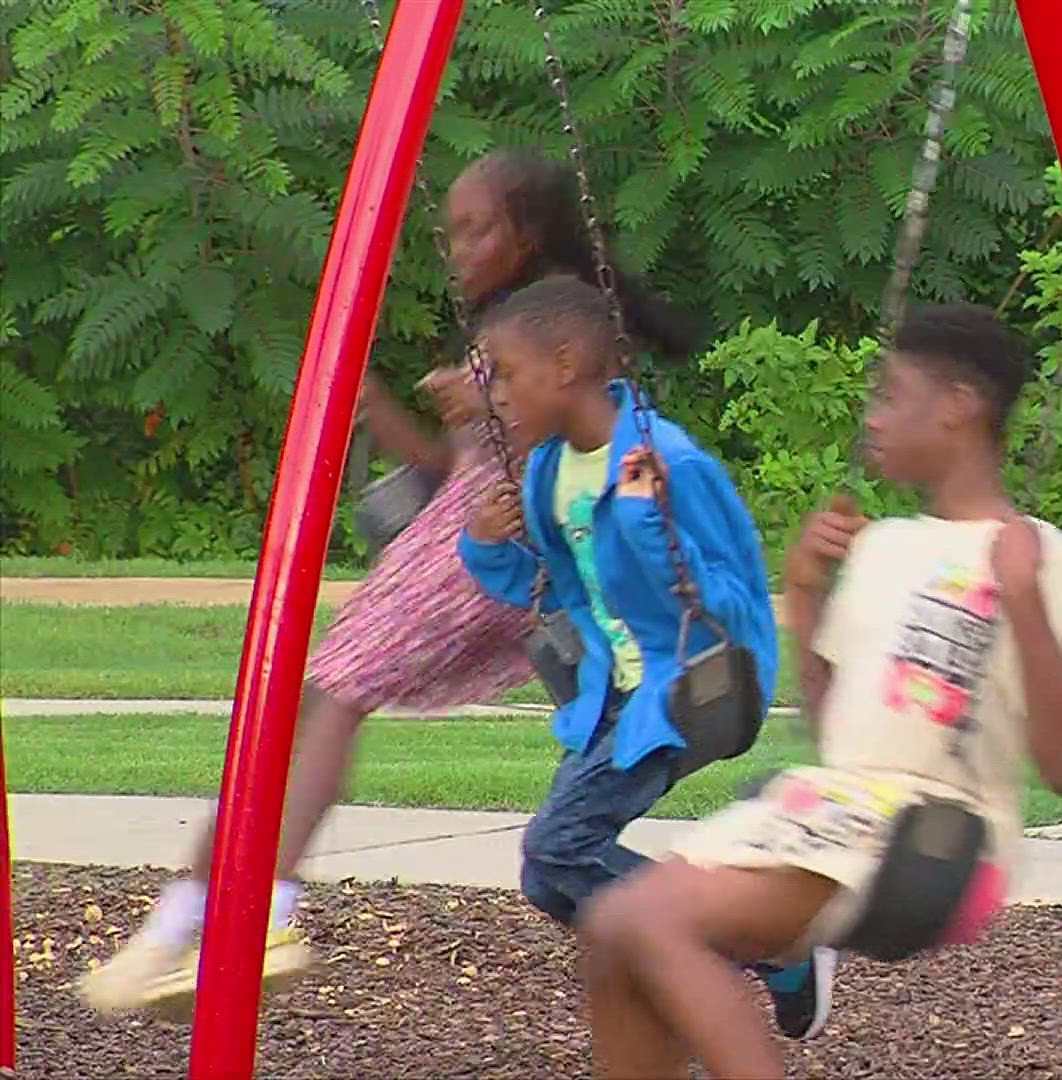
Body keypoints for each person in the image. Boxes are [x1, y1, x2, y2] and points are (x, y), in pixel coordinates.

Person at [80, 151, 829, 1037]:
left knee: (331, 695)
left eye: (475, 228)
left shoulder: (574, 364)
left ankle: (246, 914)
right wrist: (404, 433)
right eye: (453, 230)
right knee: (350, 720)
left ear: (530, 235)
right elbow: (481, 493)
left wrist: (502, 438)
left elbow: (709, 557)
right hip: (505, 560)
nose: (457, 246)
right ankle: (200, 913)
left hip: (598, 625)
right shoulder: (537, 398)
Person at [571, 302, 1062, 1079]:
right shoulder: (885, 545)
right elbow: (836, 731)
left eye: (892, 395)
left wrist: (1021, 600)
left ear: (959, 405)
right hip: (836, 805)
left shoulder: (1036, 554)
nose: (874, 420)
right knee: (613, 929)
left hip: (939, 831)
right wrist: (806, 595)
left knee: (652, 924)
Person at [457, 273, 837, 1039]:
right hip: (613, 696)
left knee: (559, 846)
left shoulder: (671, 463)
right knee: (548, 875)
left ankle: (715, 940)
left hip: (691, 689)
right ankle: (774, 953)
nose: (492, 392)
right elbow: (554, 587)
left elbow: (734, 593)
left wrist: (652, 535)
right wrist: (484, 545)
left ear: (564, 365)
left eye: (505, 372)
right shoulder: (545, 471)